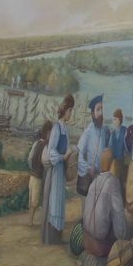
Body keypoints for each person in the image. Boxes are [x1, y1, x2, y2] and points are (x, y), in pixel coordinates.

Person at [82, 149, 129, 259]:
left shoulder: (94, 181)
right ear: (113, 164)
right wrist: (123, 238)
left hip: (86, 241)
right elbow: (119, 216)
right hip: (100, 246)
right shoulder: (112, 181)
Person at [43, 94, 76, 246]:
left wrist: (72, 152)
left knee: (60, 203)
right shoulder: (56, 128)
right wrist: (63, 157)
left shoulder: (65, 129)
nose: (71, 113)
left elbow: (68, 147)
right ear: (65, 111)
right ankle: (51, 238)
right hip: (56, 170)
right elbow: (51, 152)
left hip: (61, 171)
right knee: (54, 202)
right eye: (70, 110)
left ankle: (58, 237)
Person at [76, 96, 110, 196]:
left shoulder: (104, 131)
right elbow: (79, 155)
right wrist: (87, 168)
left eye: (102, 109)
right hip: (90, 178)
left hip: (100, 178)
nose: (100, 113)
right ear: (93, 113)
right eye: (98, 109)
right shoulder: (87, 133)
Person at [28, 121, 52, 228]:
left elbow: (30, 158)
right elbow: (45, 161)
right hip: (38, 176)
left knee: (31, 197)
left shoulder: (36, 143)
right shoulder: (45, 146)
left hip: (32, 174)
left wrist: (32, 167)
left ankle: (31, 220)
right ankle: (31, 222)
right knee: (35, 199)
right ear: (48, 133)